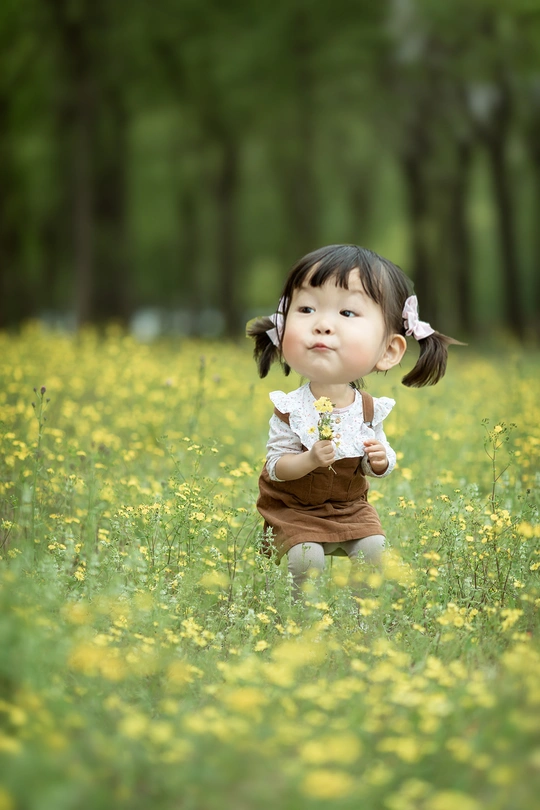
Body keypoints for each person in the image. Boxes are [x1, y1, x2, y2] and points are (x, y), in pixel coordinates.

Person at [247, 244, 460, 600]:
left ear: (388, 351)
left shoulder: (368, 409)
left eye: (347, 312)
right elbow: (276, 467)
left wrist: (379, 460)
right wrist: (309, 459)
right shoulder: (289, 408)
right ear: (282, 334)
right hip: (294, 509)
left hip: (349, 508)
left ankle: (362, 617)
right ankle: (304, 619)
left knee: (374, 550)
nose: (322, 325)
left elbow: (376, 458)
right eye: (306, 309)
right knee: (307, 558)